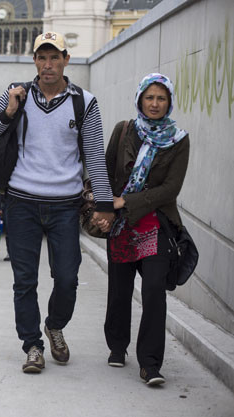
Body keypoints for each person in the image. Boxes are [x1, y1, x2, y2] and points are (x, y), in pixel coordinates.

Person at [0, 31, 114, 373]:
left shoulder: (84, 102)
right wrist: (7, 111)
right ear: (34, 61)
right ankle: (32, 345)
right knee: (25, 280)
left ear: (66, 59)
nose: (48, 64)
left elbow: (95, 157)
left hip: (66, 205)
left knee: (67, 278)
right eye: (41, 57)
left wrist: (105, 204)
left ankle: (55, 325)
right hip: (21, 202)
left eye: (54, 57)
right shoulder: (17, 95)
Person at [100, 73, 189, 386]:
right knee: (120, 289)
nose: (154, 104)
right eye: (149, 97)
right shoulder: (124, 131)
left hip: (157, 224)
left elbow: (171, 188)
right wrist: (106, 208)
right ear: (140, 99)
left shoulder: (178, 139)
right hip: (122, 226)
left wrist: (128, 201)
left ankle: (150, 363)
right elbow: (105, 171)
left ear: (169, 103)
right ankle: (117, 345)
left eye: (161, 98)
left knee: (153, 291)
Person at [0, 192, 10, 261]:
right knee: (9, 230)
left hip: (19, 203)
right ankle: (10, 252)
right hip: (6, 204)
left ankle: (17, 253)